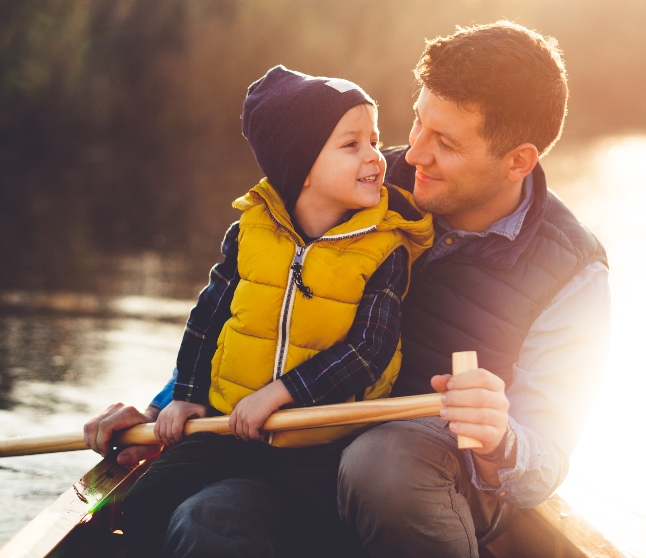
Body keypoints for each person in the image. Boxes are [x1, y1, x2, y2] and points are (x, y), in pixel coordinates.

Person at [85, 21, 611, 558]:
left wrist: (503, 438)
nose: (414, 154)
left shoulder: (573, 273)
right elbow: (257, 308)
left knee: (382, 464)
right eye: (418, 122)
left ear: (518, 160)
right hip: (297, 462)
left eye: (446, 143)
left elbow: (545, 460)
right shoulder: (359, 180)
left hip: (427, 486)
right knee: (204, 521)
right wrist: (162, 412)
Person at [94, 65, 433, 555]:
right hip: (231, 429)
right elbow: (208, 317)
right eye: (351, 145)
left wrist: (282, 393)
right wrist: (186, 395)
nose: (376, 158)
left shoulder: (385, 248)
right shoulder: (249, 233)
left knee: (288, 527)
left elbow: (370, 350)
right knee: (144, 503)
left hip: (323, 446)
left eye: (374, 141)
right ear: (301, 167)